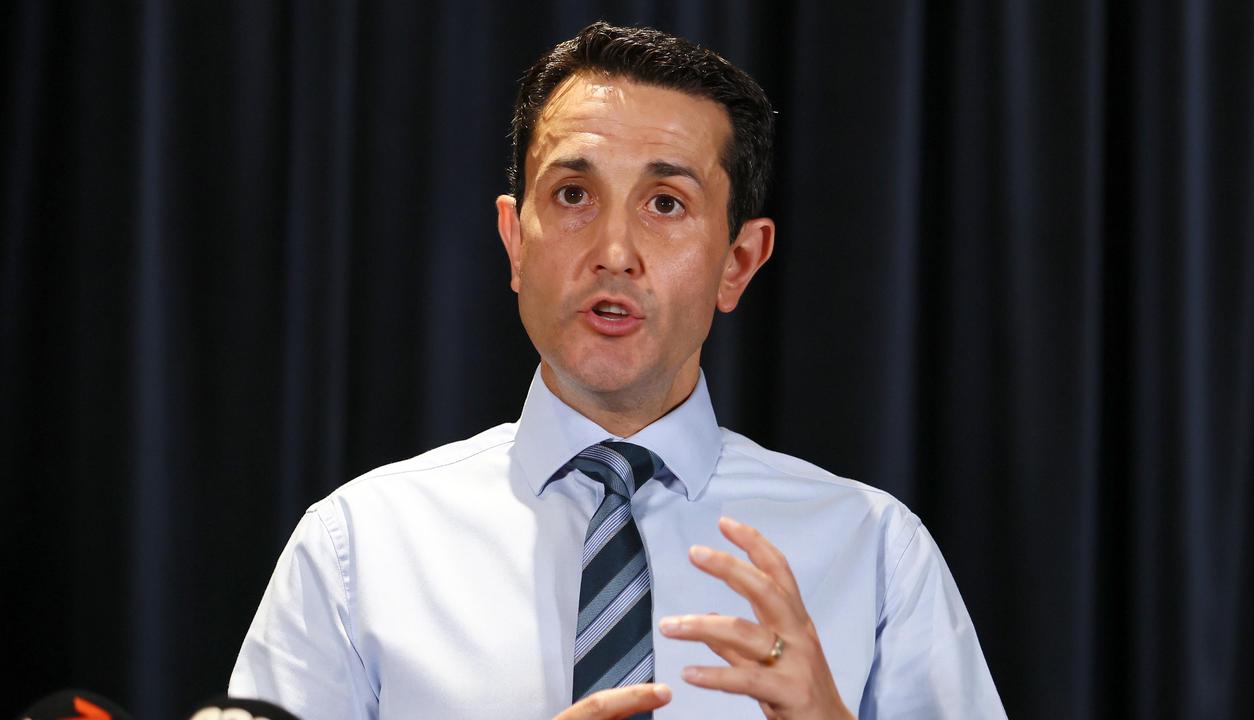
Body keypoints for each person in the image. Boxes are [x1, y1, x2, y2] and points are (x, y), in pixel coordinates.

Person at [229, 21, 1006, 720]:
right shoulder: (357, 549)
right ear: (514, 240)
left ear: (738, 262)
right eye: (573, 194)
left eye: (666, 203)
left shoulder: (873, 555)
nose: (614, 252)